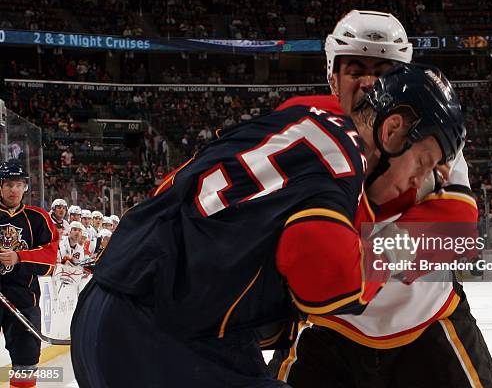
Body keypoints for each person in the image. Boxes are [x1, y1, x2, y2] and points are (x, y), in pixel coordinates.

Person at [70, 63, 452, 387]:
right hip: (157, 335)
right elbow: (331, 284)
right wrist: (399, 244)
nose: (417, 182)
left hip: (105, 310)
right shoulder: (343, 161)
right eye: (422, 161)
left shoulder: (292, 120)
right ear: (394, 129)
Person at [273, 10, 492, 388]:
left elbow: (455, 226)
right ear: (332, 77)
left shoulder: (429, 127)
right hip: (325, 330)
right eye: (355, 69)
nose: (368, 82)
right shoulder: (300, 127)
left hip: (427, 323)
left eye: (382, 70)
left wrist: (355, 260)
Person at [0, 160, 58, 388]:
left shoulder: (38, 218)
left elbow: (50, 256)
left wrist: (19, 257)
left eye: (18, 184)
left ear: (25, 187)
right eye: (8, 184)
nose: (13, 189)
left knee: (25, 361)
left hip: (24, 298)